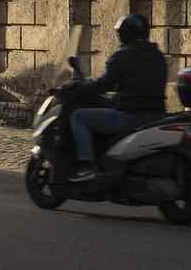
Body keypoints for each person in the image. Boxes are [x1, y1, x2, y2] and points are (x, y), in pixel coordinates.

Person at [68, 13, 168, 183]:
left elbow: (104, 85)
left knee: (79, 116)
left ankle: (87, 166)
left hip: (131, 115)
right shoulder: (158, 56)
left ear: (125, 34)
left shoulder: (122, 56)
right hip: (156, 114)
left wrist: (81, 87)